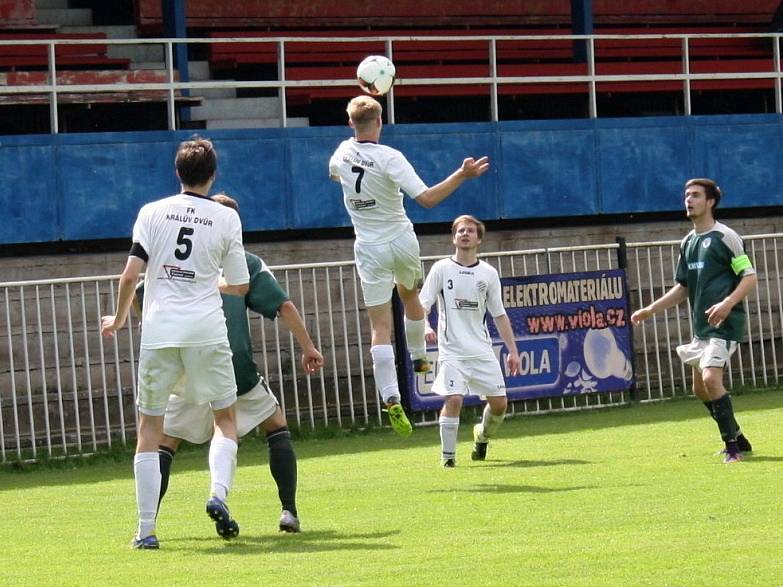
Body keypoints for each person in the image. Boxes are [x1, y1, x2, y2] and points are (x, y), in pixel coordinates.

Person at [136, 193, 324, 534]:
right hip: (229, 363)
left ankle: (147, 526)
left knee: (164, 441)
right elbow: (285, 306)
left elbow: (139, 292)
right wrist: (309, 346)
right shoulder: (247, 262)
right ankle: (287, 511)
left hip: (181, 361)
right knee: (275, 425)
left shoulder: (171, 252)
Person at [101, 137, 250, 549]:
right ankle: (217, 493)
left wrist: (116, 318)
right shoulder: (225, 218)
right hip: (205, 330)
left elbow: (130, 275)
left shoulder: (151, 212)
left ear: (177, 172)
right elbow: (239, 284)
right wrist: (210, 282)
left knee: (150, 429)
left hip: (160, 331)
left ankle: (146, 530)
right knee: (225, 420)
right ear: (213, 174)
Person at [328, 95, 490, 436]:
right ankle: (418, 358)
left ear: (350, 123)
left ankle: (390, 397)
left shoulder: (341, 153)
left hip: (368, 247)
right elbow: (428, 199)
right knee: (410, 296)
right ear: (380, 122)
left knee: (379, 327)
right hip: (400, 240)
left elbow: (335, 176)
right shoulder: (390, 157)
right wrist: (461, 175)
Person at [631, 178, 757, 463]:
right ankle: (738, 435)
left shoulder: (725, 237)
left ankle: (733, 449)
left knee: (711, 378)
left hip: (725, 325)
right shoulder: (688, 242)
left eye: (696, 195)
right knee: (699, 388)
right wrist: (650, 309)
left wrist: (727, 303)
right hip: (702, 328)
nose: (689, 200)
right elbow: (683, 287)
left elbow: (749, 277)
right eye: (687, 195)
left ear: (710, 201)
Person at [419, 215, 521, 467]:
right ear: (453, 237)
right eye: (460, 230)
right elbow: (422, 303)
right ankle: (448, 459)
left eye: (471, 231)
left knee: (499, 405)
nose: (465, 234)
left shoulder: (488, 273)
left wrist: (513, 351)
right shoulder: (441, 269)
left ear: (479, 239)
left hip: (481, 351)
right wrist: (425, 325)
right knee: (453, 398)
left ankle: (482, 436)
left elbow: (499, 313)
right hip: (452, 352)